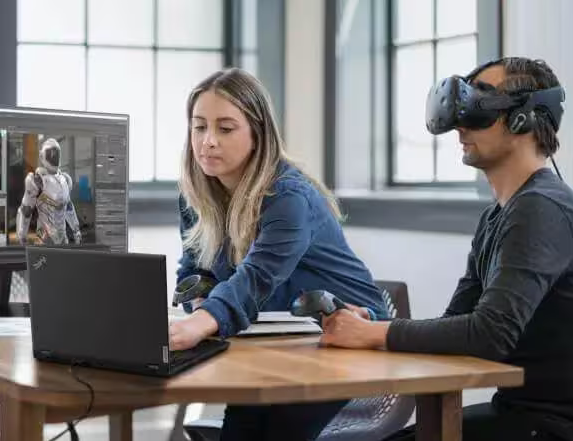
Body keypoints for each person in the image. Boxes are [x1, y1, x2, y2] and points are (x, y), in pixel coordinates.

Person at [321, 57, 573, 441]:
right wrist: (373, 326)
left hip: (551, 426)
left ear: (523, 118)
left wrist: (374, 335)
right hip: (519, 414)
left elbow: (490, 334)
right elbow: (458, 321)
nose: (460, 126)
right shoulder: (498, 215)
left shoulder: (541, 208)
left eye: (478, 109)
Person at [168, 67, 389, 441]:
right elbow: (192, 273)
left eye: (225, 128)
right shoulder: (197, 196)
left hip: (343, 334)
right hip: (270, 335)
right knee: (241, 429)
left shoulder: (288, 197)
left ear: (257, 134)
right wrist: (200, 303)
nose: (208, 141)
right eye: (199, 126)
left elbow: (256, 278)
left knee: (273, 432)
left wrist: (201, 322)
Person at [16, 137, 82, 245]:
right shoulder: (37, 180)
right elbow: (26, 210)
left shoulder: (65, 179)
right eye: (50, 153)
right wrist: (22, 236)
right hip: (44, 234)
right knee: (44, 259)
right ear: (42, 156)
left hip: (62, 235)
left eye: (55, 153)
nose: (53, 156)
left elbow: (68, 207)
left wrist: (76, 229)